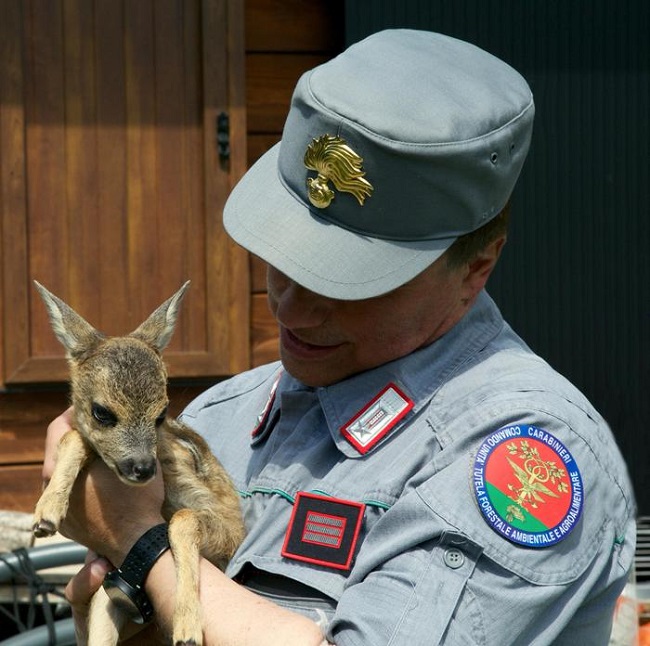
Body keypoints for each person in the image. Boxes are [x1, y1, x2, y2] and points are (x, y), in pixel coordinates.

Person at [43, 29, 636, 645]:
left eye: (350, 283)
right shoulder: (224, 417)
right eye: (285, 256)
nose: (292, 307)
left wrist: (143, 548)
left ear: (476, 266)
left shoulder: (521, 454)